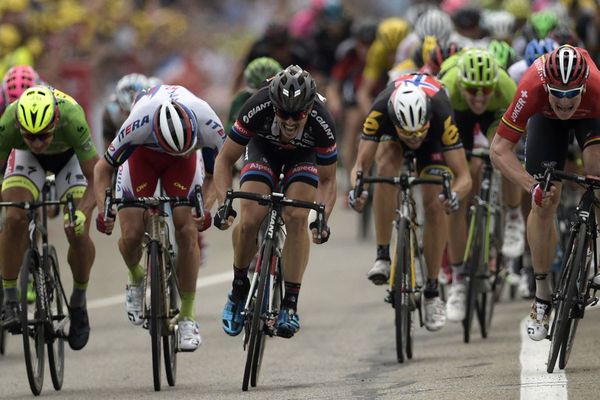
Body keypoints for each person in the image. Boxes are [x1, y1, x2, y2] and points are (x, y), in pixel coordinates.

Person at [94, 84, 225, 351]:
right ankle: (136, 275)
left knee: (187, 230)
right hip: (144, 156)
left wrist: (207, 207)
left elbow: (219, 173)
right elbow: (101, 170)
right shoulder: (137, 123)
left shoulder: (208, 121)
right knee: (130, 235)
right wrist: (103, 208)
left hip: (184, 161)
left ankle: (188, 316)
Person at [213, 65, 336, 339]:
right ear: (273, 105)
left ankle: (289, 304)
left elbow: (328, 181)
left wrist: (322, 219)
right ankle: (238, 289)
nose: (290, 122)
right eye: (283, 114)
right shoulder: (256, 106)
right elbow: (223, 160)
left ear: (310, 109)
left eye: (299, 115)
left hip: (303, 157)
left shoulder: (322, 120)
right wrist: (224, 204)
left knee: (297, 216)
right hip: (263, 149)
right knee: (250, 216)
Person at [490, 45, 600, 341]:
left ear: (583, 84)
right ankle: (541, 296)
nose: (565, 103)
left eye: (571, 94)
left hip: (592, 117)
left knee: (596, 171)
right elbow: (498, 150)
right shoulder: (532, 86)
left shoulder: (596, 87)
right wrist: (532, 186)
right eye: (558, 94)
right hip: (544, 121)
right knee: (545, 199)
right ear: (546, 86)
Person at [349, 73, 472, 332]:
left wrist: (453, 196)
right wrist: (357, 190)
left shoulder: (440, 114)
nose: (414, 139)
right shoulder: (380, 111)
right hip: (393, 140)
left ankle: (431, 291)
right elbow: (360, 167)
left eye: (418, 133)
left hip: (434, 143)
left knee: (435, 201)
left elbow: (464, 178)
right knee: (384, 168)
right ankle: (382, 255)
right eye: (409, 134)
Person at [0, 85, 98, 351]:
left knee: (77, 231)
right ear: (19, 126)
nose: (38, 143)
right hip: (27, 162)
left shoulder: (72, 117)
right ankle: (10, 300)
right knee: (14, 218)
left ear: (55, 120)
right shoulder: (8, 122)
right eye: (30, 136)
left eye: (43, 135)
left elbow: (97, 178)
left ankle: (78, 302)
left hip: (69, 161)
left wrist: (82, 212)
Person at [439, 48, 524, 321]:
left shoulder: (505, 87)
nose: (478, 96)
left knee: (504, 157)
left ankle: (512, 217)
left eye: (484, 90)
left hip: (496, 115)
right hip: (457, 117)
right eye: (473, 90)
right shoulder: (447, 89)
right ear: (461, 84)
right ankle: (460, 280)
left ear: (494, 85)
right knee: (458, 191)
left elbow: (518, 134)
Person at [101, 73, 150, 150]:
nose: (132, 118)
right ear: (120, 106)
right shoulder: (110, 112)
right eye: (128, 113)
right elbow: (108, 147)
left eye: (138, 112)